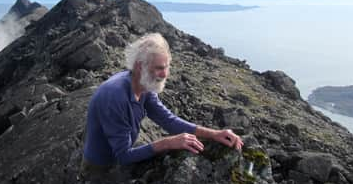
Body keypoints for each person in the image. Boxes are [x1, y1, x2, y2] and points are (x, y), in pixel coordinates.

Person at [82, 32, 243, 173]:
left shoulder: (144, 86)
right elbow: (123, 156)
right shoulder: (115, 97)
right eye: (159, 68)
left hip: (122, 151)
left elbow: (168, 120)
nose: (165, 74)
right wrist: (167, 143)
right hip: (101, 166)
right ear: (139, 66)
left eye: (166, 67)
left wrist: (214, 134)